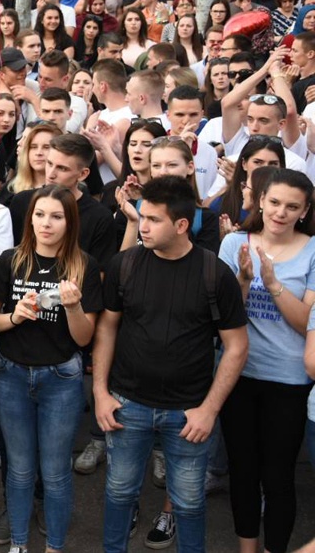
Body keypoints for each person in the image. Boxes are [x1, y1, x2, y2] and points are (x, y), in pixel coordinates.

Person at [92, 176, 249, 553]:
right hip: (127, 405)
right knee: (118, 492)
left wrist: (209, 410)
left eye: (153, 219)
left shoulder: (215, 273)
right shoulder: (124, 265)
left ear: (181, 224)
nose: (142, 225)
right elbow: (106, 330)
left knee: (190, 503)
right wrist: (99, 392)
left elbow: (237, 346)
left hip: (189, 413)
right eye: (142, 216)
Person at [0, 186, 103, 553]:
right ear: (29, 217)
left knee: (55, 473)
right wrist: (13, 316)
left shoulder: (84, 265)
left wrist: (73, 308)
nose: (46, 223)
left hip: (62, 379)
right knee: (19, 471)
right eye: (39, 215)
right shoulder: (10, 261)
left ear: (70, 221)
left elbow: (84, 339)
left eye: (56, 216)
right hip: (11, 375)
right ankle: (18, 544)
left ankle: (54, 546)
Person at [218, 169, 315, 553]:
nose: (281, 212)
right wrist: (243, 281)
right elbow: (224, 318)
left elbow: (308, 323)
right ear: (260, 201)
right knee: (243, 471)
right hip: (238, 375)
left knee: (278, 477)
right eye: (274, 202)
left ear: (305, 211)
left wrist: (272, 283)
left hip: (290, 381)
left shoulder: (312, 249)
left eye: (292, 206)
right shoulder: (233, 244)